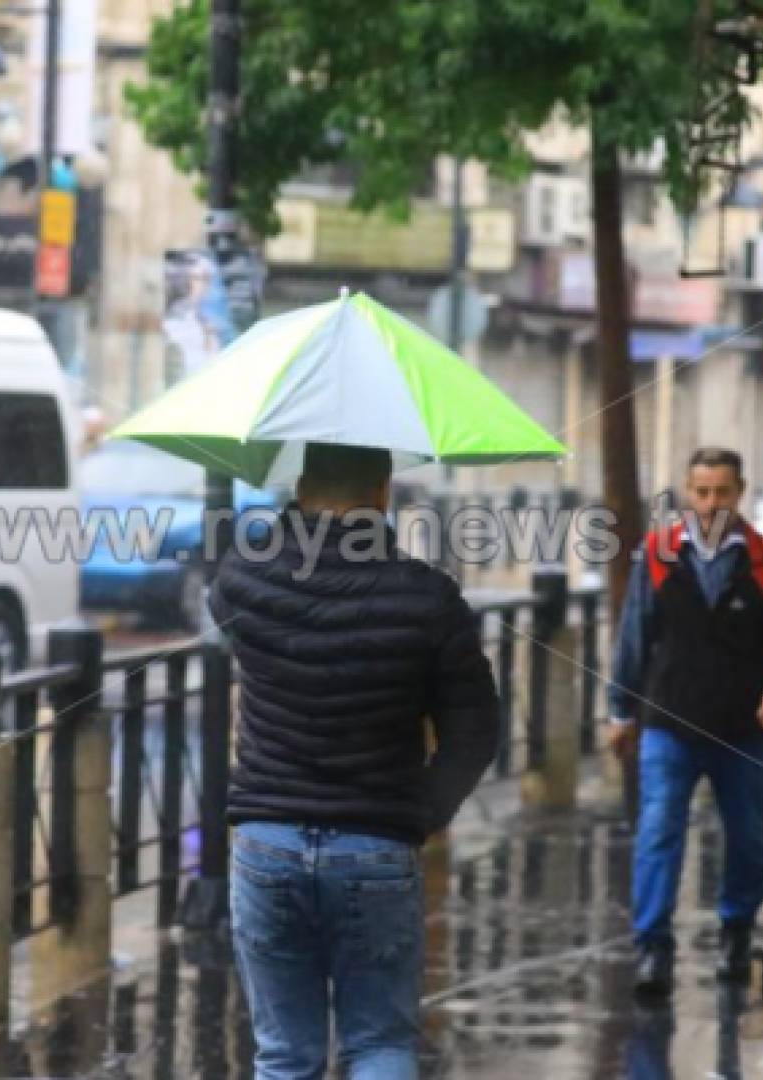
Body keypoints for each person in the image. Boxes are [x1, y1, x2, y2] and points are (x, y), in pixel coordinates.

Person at [208, 441, 501, 1079]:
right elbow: (477, 727)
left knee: (284, 1055)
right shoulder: (428, 599)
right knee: (379, 1046)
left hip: (267, 838)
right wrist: (424, 809)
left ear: (303, 484)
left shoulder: (244, 575)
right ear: (382, 491)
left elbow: (229, 613)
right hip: (376, 840)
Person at [607, 447, 763, 997]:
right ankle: (652, 947)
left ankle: (736, 932)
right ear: (686, 491)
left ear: (739, 491)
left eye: (722, 492)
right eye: (701, 492)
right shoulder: (656, 556)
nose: (711, 503)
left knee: (747, 836)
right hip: (668, 723)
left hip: (742, 728)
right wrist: (619, 710)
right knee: (658, 831)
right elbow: (633, 638)